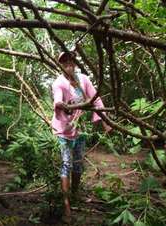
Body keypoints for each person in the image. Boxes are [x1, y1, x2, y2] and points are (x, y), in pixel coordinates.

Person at [51, 50, 112, 221]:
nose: (69, 65)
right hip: (63, 130)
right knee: (65, 165)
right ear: (61, 65)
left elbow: (96, 99)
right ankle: (66, 207)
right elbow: (57, 100)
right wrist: (63, 105)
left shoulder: (83, 79)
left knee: (77, 165)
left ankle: (75, 195)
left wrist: (105, 121)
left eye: (71, 61)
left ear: (75, 63)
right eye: (65, 62)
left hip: (79, 130)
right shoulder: (59, 83)